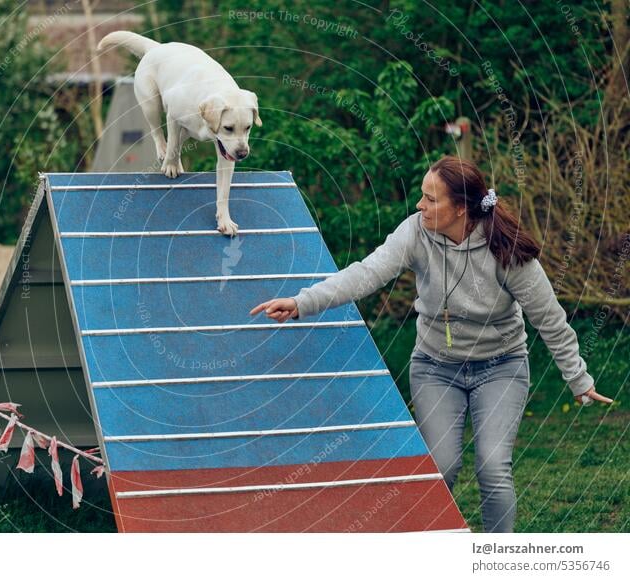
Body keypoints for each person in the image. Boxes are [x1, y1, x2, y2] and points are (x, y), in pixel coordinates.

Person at [249, 155, 612, 533]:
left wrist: (578, 377)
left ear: (460, 208)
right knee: (440, 466)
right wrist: (301, 302)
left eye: (431, 199)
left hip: (501, 367)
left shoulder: (506, 250)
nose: (420, 206)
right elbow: (366, 274)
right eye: (422, 197)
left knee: (492, 466)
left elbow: (548, 318)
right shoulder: (416, 232)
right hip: (435, 368)